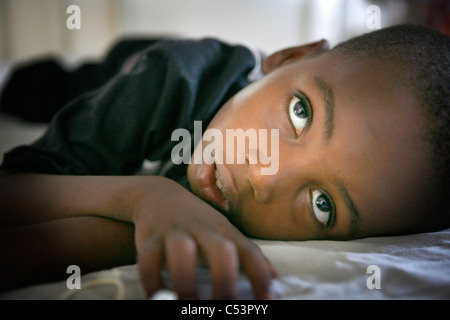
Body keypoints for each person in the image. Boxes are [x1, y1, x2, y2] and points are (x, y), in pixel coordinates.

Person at [0, 24, 449, 299]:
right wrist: (143, 195)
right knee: (43, 88)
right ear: (289, 58)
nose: (266, 176)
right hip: (144, 66)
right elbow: (16, 187)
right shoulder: (172, 78)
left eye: (322, 204)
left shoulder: (256, 213)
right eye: (301, 112)